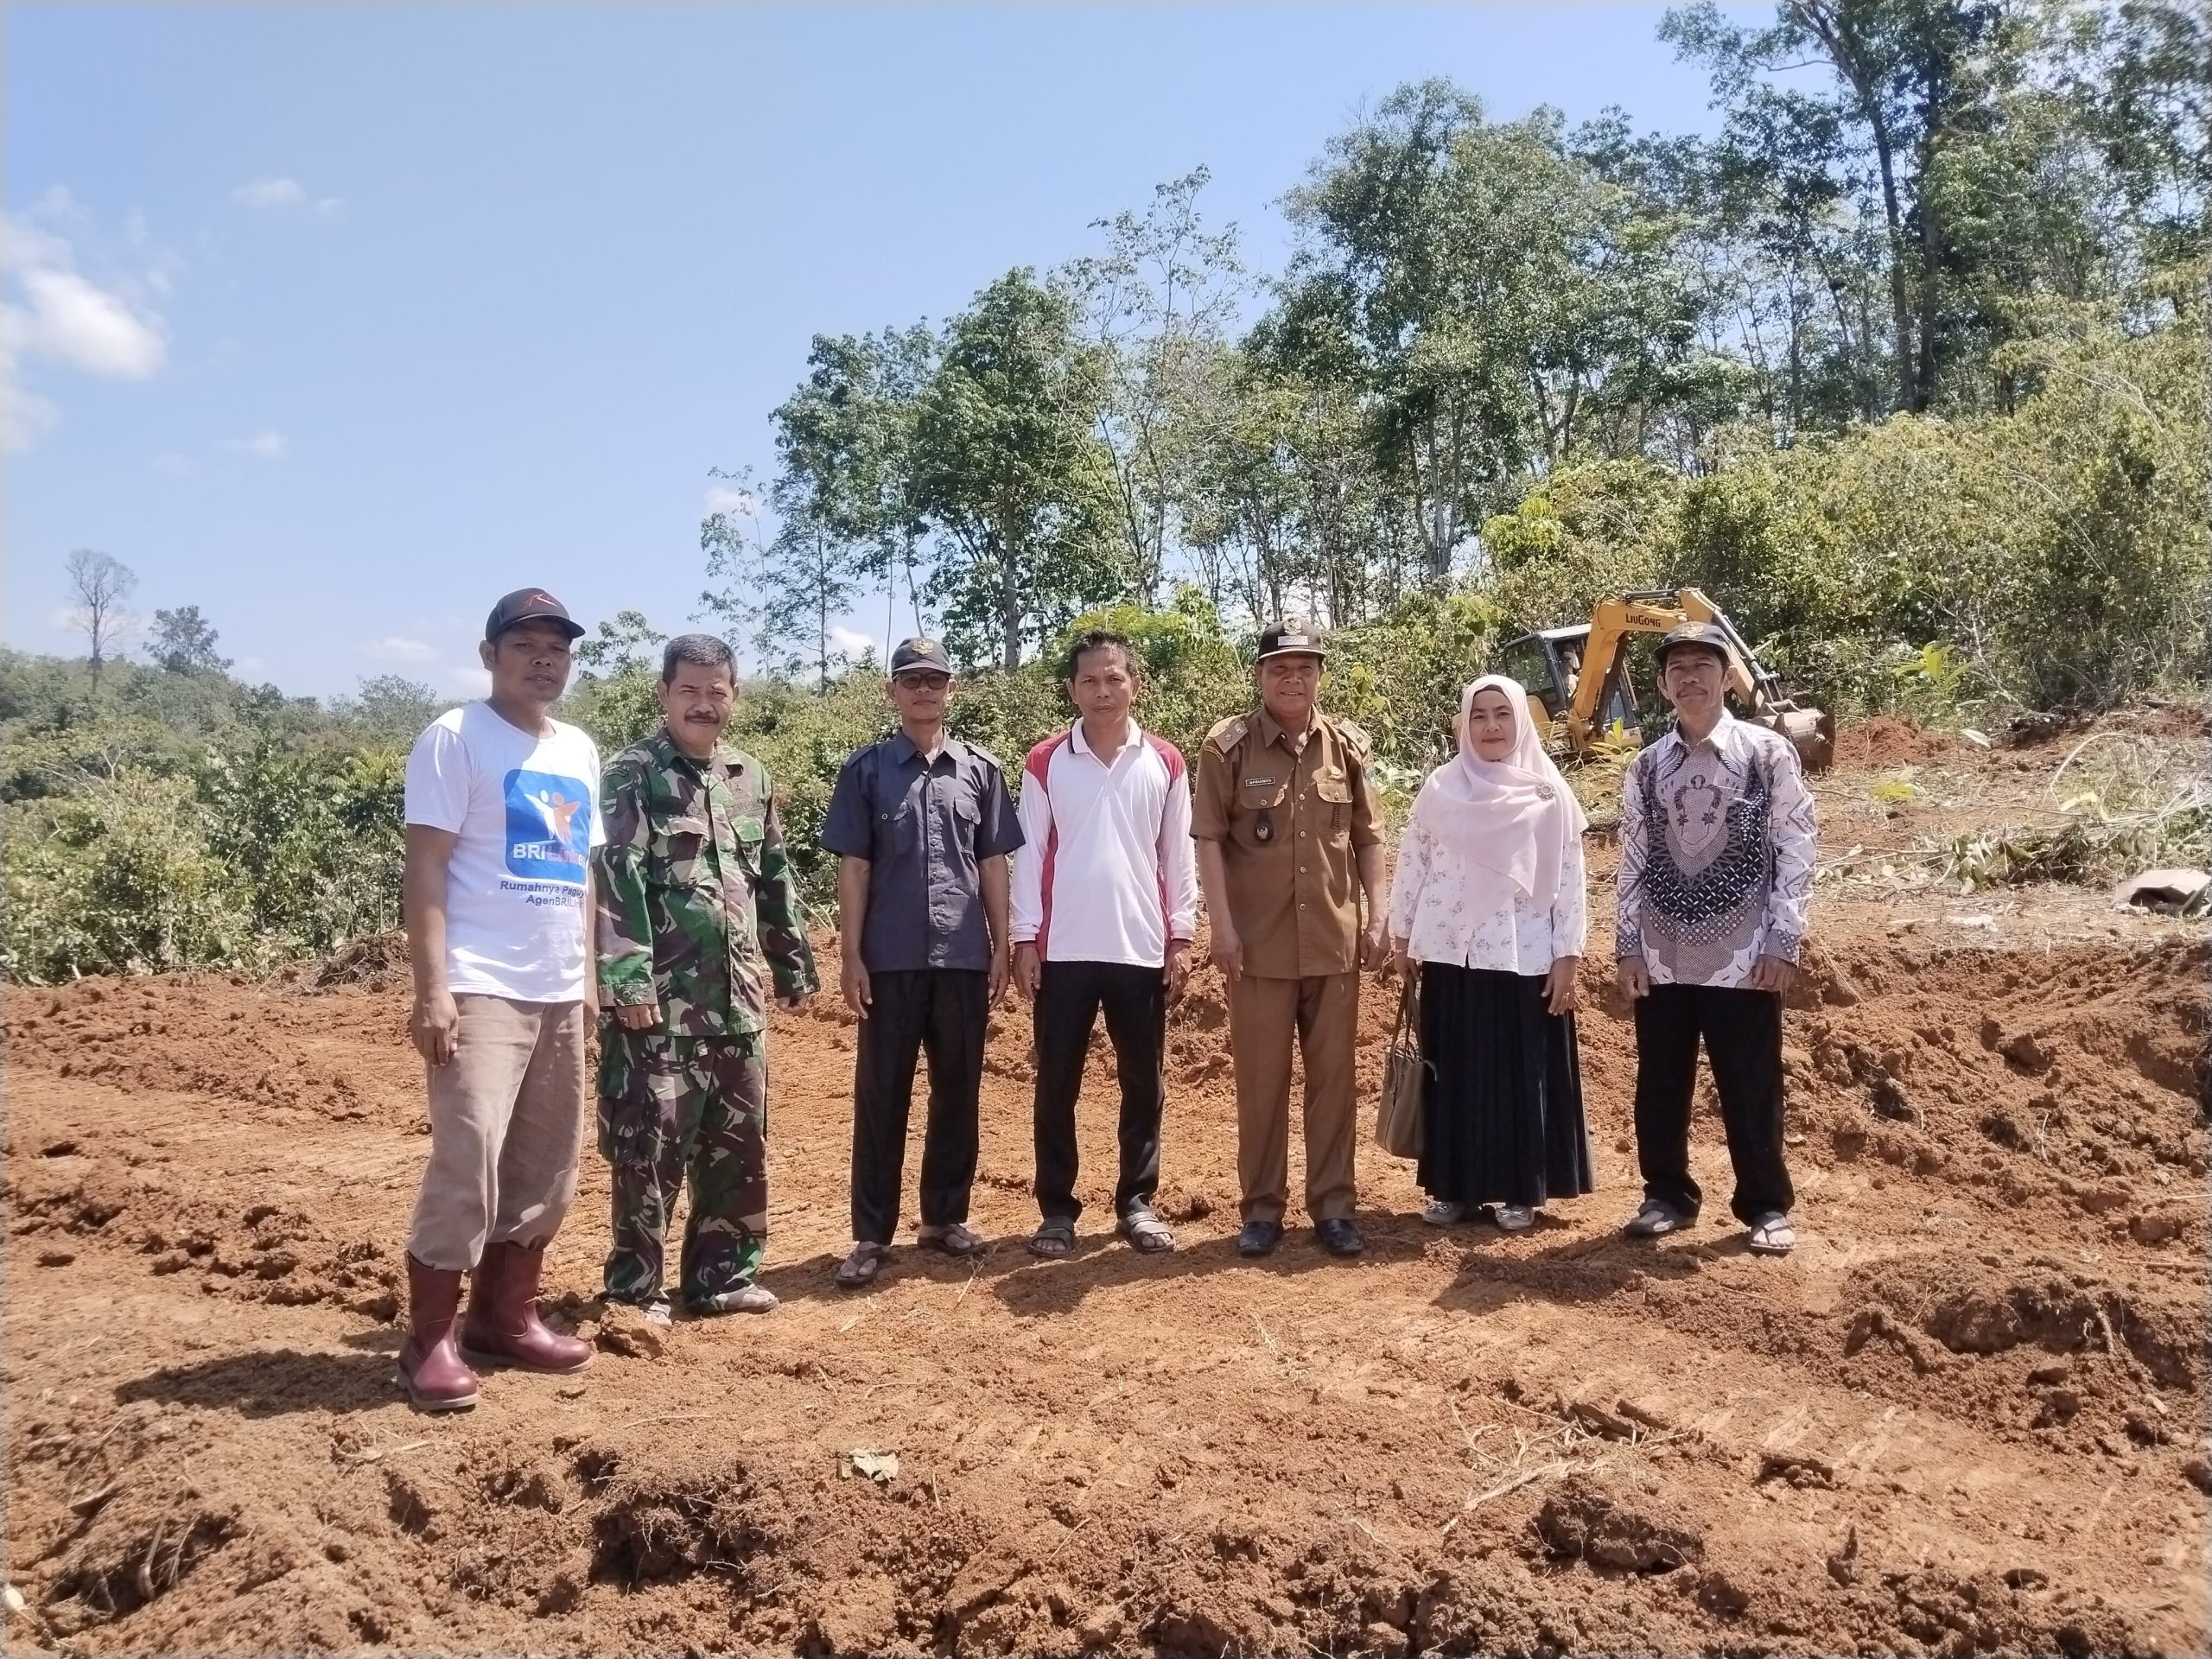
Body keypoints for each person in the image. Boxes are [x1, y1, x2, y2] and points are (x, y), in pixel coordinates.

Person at [397, 588, 601, 1411]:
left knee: (548, 1163)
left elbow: (580, 874)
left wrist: (586, 977)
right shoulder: (454, 739)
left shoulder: (579, 750)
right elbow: (427, 868)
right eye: (526, 645)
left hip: (556, 986)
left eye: (557, 647)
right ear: (490, 656)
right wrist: (431, 989)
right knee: (469, 1155)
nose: (544, 659)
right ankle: (428, 1344)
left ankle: (504, 1318)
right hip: (480, 985)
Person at [594, 634, 818, 1324]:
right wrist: (627, 983)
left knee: (737, 1145)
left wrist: (792, 964)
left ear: (735, 696)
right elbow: (614, 878)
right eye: (688, 690)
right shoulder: (632, 774)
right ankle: (636, 1289)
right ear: (663, 694)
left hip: (738, 1001)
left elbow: (772, 876)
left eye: (716, 690)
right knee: (650, 1149)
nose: (703, 703)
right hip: (660, 1006)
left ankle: (722, 1279)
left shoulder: (752, 776)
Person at [819, 637, 1023, 1289]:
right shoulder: (868, 771)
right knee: (883, 1097)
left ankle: (944, 1219)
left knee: (958, 1091)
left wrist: (1002, 946)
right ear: (894, 693)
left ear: (951, 689)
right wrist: (850, 953)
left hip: (964, 958)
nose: (924, 691)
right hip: (890, 960)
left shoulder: (981, 771)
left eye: (935, 681)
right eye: (911, 681)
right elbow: (855, 866)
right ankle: (872, 1234)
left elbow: (993, 863)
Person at [1616, 621, 1816, 1256]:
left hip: (1746, 953)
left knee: (1750, 1081)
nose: (1690, 678)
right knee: (1661, 1080)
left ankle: (1763, 1205)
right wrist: (1626, 945)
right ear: (1660, 684)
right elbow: (1632, 858)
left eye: (1704, 665)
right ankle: (1667, 1194)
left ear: (1728, 677)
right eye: (1677, 669)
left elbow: (1797, 844)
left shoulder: (1767, 754)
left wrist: (1784, 938)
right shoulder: (1646, 766)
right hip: (1662, 951)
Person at [1192, 618, 1389, 1259]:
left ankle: (1334, 1207)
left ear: (1319, 675)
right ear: (1259, 676)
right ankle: (1261, 1210)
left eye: (1304, 667)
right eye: (1280, 668)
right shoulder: (1228, 749)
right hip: (1257, 949)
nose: (1292, 678)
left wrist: (1377, 915)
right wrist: (1220, 926)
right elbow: (1209, 842)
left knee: (1334, 1081)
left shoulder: (1349, 748)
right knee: (1260, 1081)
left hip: (1333, 944)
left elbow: (1367, 838)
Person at [1012, 629, 1198, 1258]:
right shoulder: (1045, 761)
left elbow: (1179, 855)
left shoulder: (1165, 762)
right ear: (1071, 689)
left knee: (1143, 1083)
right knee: (1056, 1084)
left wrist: (1181, 935)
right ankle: (1057, 1211)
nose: (1102, 690)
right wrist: (1022, 940)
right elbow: (1029, 853)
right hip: (1062, 950)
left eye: (1113, 678)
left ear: (1134, 685)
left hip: (1141, 949)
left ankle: (1136, 1202)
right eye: (1088, 680)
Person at [1388, 676, 1594, 1231]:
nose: (1492, 726)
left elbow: (1571, 880)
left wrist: (1567, 954)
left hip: (1522, 956)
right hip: (1451, 954)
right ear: (1464, 724)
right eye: (1479, 716)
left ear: (1521, 720)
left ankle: (1518, 1188)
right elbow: (1414, 862)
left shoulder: (1549, 795)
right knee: (1452, 1070)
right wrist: (1402, 936)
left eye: (1503, 713)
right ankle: (1453, 1188)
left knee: (1513, 1073)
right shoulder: (1440, 789)